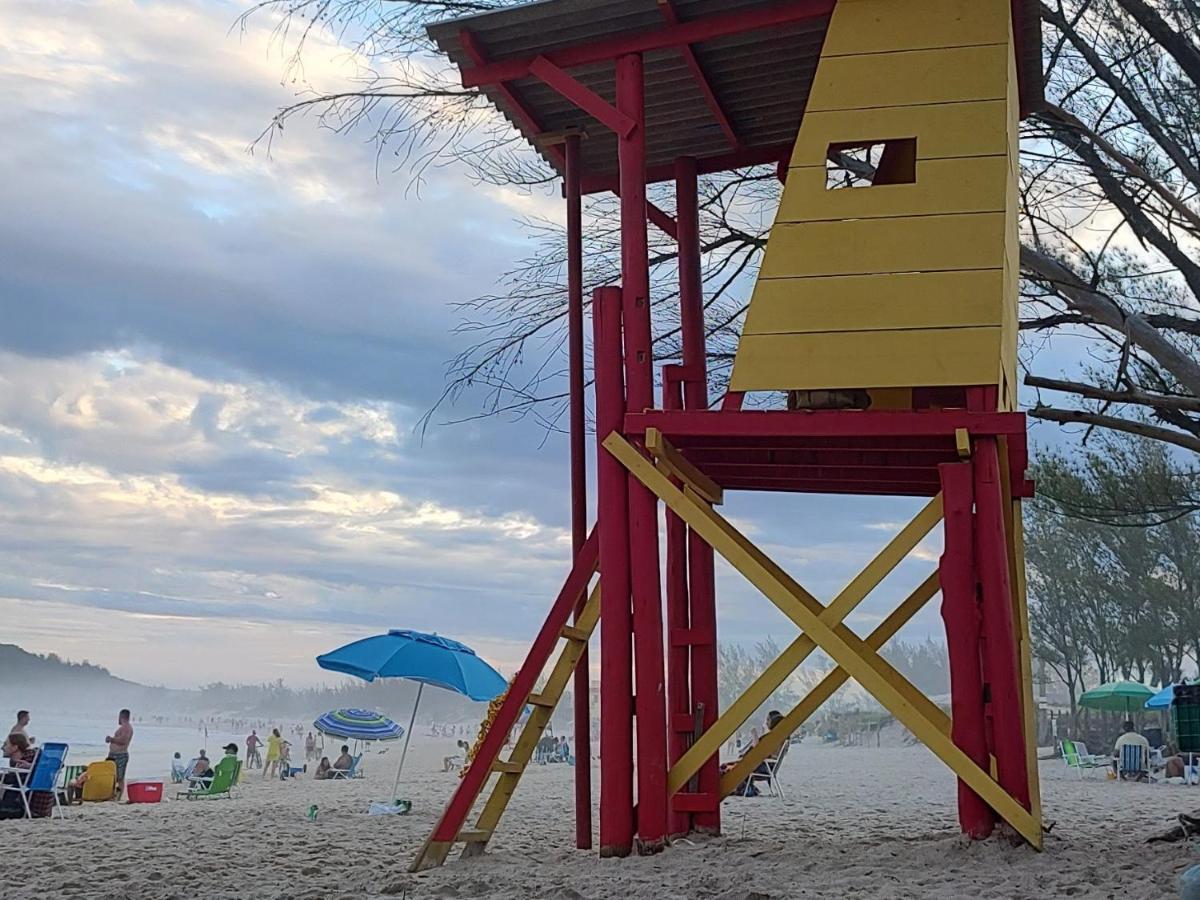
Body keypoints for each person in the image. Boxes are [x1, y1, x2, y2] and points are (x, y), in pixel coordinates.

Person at [721, 710, 785, 797]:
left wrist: (754, 735)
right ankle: (742, 787)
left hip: (762, 767)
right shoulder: (780, 737)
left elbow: (758, 751)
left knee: (724, 767)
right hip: (767, 766)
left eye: (768, 720)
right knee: (728, 765)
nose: (766, 722)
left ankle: (736, 788)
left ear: (773, 721)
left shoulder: (773, 738)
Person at [105, 708, 133, 797]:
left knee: (120, 777)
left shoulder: (127, 727)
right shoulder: (123, 727)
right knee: (111, 776)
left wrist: (111, 739)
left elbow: (123, 740)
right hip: (114, 755)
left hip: (120, 755)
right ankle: (112, 794)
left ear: (121, 717)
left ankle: (118, 796)